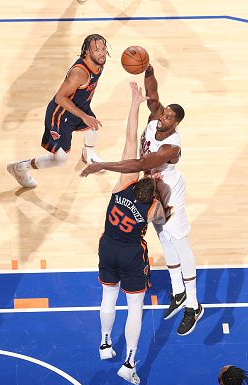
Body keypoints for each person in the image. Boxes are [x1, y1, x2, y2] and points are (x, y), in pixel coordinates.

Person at [81, 65, 203, 336]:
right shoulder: (156, 115)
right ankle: (178, 291)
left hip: (169, 194)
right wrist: (146, 66)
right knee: (164, 239)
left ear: (176, 124)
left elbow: (138, 163)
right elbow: (152, 90)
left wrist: (102, 165)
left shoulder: (171, 147)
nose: (163, 117)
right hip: (151, 190)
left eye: (169, 117)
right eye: (164, 113)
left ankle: (193, 304)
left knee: (180, 244)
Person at [96, 81, 168, 385]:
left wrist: (135, 103)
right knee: (135, 307)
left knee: (107, 297)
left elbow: (128, 138)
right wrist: (162, 189)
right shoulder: (152, 207)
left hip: (107, 246)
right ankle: (128, 363)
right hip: (131, 255)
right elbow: (164, 217)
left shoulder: (122, 184)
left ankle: (104, 344)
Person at [7, 33, 108, 188]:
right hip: (60, 116)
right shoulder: (79, 73)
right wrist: (84, 116)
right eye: (96, 50)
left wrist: (85, 114)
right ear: (87, 53)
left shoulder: (99, 63)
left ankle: (87, 154)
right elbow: (60, 98)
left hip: (79, 108)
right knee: (60, 159)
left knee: (93, 129)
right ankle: (20, 168)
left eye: (103, 48)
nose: (101, 53)